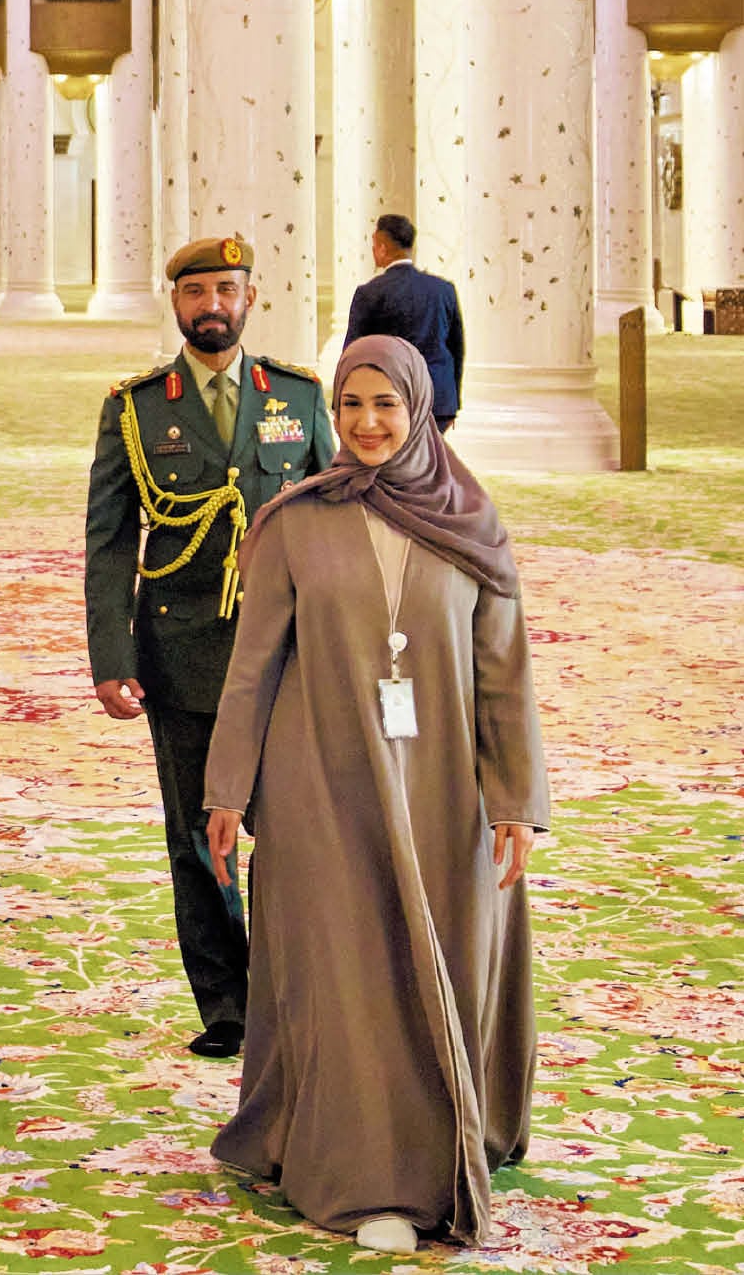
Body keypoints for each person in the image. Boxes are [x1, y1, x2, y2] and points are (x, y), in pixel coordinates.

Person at [203, 335, 547, 1252]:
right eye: (350, 405)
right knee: (346, 970)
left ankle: (450, 1128)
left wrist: (515, 799)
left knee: (442, 954)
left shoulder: (472, 521)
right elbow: (252, 668)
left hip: (443, 783)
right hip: (321, 777)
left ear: (419, 408)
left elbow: (503, 671)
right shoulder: (294, 522)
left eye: (385, 404)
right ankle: (366, 1172)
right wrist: (228, 788)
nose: (366, 423)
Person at [83, 234, 335, 1060]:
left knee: (293, 827)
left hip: (287, 650)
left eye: (226, 289)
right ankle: (229, 1002)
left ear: (250, 296)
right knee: (198, 836)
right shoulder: (136, 408)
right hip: (182, 649)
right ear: (176, 302)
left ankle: (294, 986)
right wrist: (111, 655)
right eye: (196, 292)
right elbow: (110, 540)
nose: (212, 305)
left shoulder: (295, 396)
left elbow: (335, 518)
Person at [345, 214, 465, 430]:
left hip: (392, 400)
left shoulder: (370, 293)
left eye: (374, 245)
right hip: (439, 401)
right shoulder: (443, 290)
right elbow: (457, 348)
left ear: (382, 248)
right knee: (429, 451)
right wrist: (453, 400)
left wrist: (345, 404)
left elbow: (353, 354)